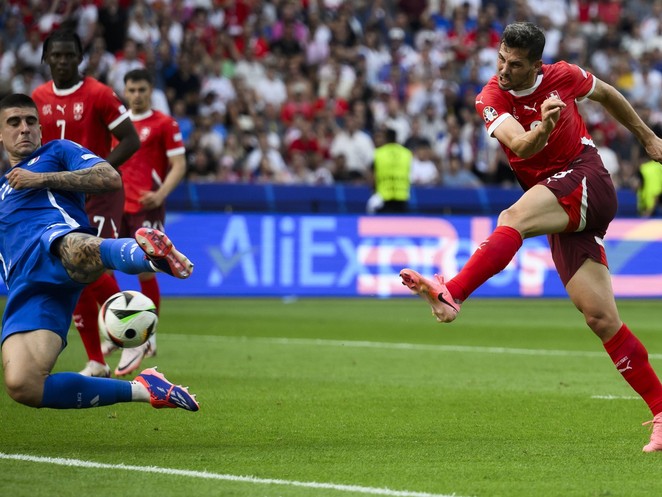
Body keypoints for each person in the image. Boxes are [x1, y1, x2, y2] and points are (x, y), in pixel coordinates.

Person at [399, 22, 662, 452]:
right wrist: (542, 127)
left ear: (537, 66)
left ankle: (453, 293)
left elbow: (608, 94)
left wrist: (648, 137)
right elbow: (520, 146)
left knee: (513, 217)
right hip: (558, 201)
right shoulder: (491, 96)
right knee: (600, 318)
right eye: (501, 59)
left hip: (586, 178)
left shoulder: (563, 76)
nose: (504, 70)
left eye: (516, 65)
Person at [0, 93, 198, 412]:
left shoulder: (57, 151)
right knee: (24, 384)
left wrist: (40, 179)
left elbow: (109, 177)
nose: (24, 128)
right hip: (27, 288)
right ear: (0, 133)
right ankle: (145, 389)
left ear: (40, 129)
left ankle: (149, 257)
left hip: (53, 243)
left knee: (72, 247)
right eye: (14, 122)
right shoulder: (2, 189)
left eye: (30, 121)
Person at [32, 29, 141, 378]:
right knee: (72, 270)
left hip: (100, 195)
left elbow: (131, 139)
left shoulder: (99, 94)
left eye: (69, 55)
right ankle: (96, 360)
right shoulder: (37, 98)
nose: (63, 61)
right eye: (56, 55)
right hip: (62, 198)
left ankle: (133, 334)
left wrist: (98, 172)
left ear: (80, 58)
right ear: (46, 59)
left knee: (91, 266)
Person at [101, 69, 186, 376]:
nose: (136, 95)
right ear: (124, 92)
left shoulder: (165, 124)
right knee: (104, 267)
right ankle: (116, 329)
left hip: (146, 206)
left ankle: (148, 336)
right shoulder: (117, 125)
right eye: (132, 90)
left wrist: (160, 194)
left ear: (151, 91)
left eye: (142, 89)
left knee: (147, 271)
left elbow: (179, 164)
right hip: (115, 204)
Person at [370, 127, 412, 214]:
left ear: (386, 138)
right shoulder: (407, 153)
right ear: (396, 138)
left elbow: (373, 177)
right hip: (402, 195)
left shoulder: (378, 153)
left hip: (384, 196)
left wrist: (373, 190)